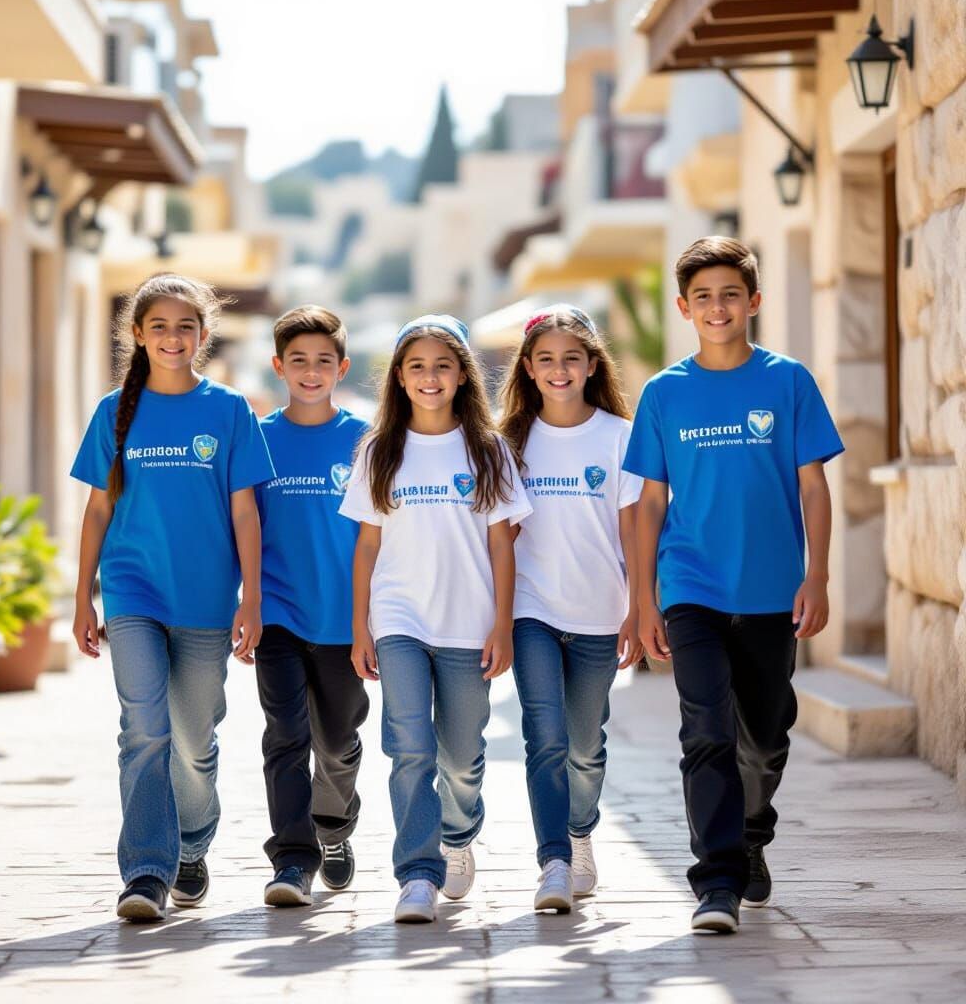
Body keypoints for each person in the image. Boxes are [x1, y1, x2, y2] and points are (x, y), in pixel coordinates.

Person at [624, 237, 844, 933]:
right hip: (691, 585)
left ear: (753, 301)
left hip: (774, 589)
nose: (717, 307)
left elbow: (814, 485)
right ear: (684, 308)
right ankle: (715, 881)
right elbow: (651, 502)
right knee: (707, 732)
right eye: (703, 297)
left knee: (767, 733)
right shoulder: (664, 393)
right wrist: (642, 598)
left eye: (730, 294)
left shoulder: (788, 382)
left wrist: (818, 574)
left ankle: (751, 834)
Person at [71, 273, 274, 923]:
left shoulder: (230, 410)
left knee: (193, 739)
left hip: (209, 598)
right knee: (145, 729)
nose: (173, 337)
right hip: (133, 589)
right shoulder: (114, 412)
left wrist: (253, 599)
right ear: (137, 334)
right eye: (158, 326)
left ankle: (192, 844)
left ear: (203, 334)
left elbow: (246, 513)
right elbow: (98, 510)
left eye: (186, 326)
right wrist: (83, 598)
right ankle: (147, 872)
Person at [339, 315, 531, 923]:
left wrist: (502, 625)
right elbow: (367, 546)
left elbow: (503, 544)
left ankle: (458, 830)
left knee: (463, 753)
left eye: (442, 365)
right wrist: (360, 627)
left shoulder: (488, 448)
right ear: (398, 377)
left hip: (467, 623)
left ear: (462, 376)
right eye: (417, 366)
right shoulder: (378, 449)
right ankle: (416, 874)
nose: (430, 377)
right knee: (410, 747)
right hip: (398, 617)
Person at [499, 304, 644, 914]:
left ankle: (581, 835)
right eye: (547, 359)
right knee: (545, 737)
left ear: (591, 365)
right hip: (532, 608)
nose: (559, 369)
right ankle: (554, 861)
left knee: (586, 743)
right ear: (529, 369)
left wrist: (640, 608)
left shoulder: (619, 436)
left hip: (599, 612)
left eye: (572, 358)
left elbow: (634, 528)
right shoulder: (508, 441)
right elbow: (495, 536)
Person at [254, 305, 370, 907]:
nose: (310, 370)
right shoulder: (260, 438)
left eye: (323, 360)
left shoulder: (363, 439)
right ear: (279, 366)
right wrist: (244, 608)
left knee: (338, 738)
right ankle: (292, 860)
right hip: (277, 614)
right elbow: (241, 528)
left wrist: (371, 620)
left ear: (341, 367)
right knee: (285, 736)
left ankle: (335, 825)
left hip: (344, 621)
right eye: (297, 360)